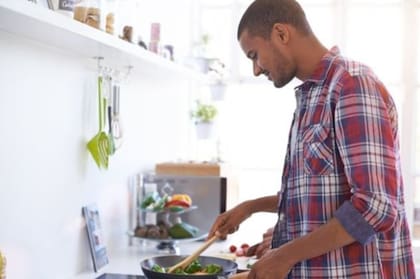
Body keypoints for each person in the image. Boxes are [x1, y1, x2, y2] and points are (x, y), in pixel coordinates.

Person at [207, 0, 416, 278]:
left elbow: (375, 206)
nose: (256, 70)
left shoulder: (352, 85)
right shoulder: (312, 96)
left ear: (281, 34)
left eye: (254, 55)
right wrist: (251, 207)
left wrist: (285, 255)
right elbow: (318, 194)